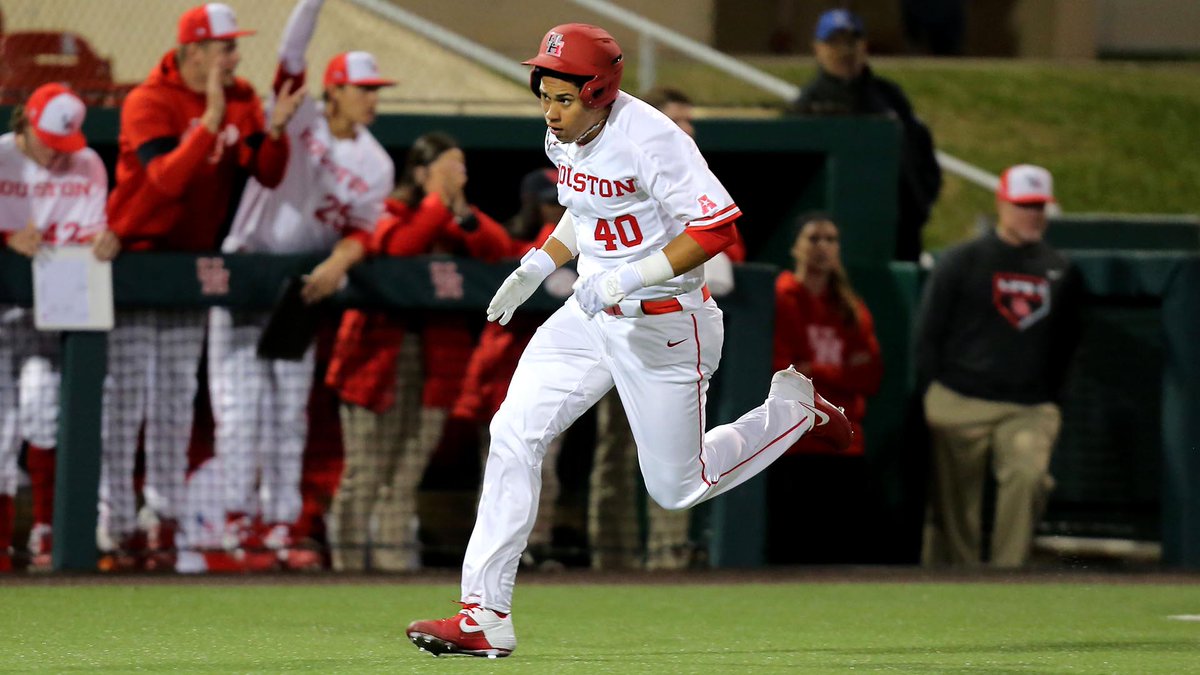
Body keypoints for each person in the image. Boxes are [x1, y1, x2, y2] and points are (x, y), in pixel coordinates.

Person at [406, 23, 851, 658]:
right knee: (512, 433)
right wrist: (539, 262)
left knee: (676, 487)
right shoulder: (566, 134)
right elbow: (583, 211)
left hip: (666, 322)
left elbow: (718, 228)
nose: (550, 110)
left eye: (564, 97)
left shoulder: (652, 139)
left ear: (600, 89)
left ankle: (792, 411)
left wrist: (628, 276)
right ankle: (484, 614)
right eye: (545, 94)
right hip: (592, 314)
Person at [99, 2, 303, 570]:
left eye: (234, 47)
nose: (235, 56)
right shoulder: (149, 100)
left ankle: (161, 520)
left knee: (173, 402)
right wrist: (210, 119)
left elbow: (267, 170)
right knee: (124, 401)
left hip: (189, 268)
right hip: (135, 262)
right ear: (192, 52)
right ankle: (113, 522)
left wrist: (277, 131)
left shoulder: (240, 98)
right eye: (224, 47)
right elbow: (164, 180)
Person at [196, 0, 395, 573]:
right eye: (363, 87)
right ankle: (235, 520)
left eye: (375, 88)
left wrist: (339, 261)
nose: (372, 97)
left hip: (302, 289)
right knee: (239, 408)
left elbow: (361, 231)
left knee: (288, 414)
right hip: (247, 270)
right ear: (333, 90)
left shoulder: (377, 161)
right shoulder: (300, 115)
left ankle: (280, 524)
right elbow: (290, 54)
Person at [325, 132, 510, 572]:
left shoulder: (456, 221)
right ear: (423, 172)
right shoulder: (388, 211)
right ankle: (345, 570)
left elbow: (500, 251)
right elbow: (399, 248)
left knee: (404, 476)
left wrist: (462, 213)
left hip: (434, 364)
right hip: (377, 362)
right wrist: (434, 201)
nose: (458, 175)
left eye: (461, 166)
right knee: (365, 474)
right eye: (448, 166)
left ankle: (390, 570)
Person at [587, 85, 743, 571]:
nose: (686, 129)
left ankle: (667, 557)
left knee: (675, 464)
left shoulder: (689, 182)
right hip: (611, 331)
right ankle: (609, 556)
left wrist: (644, 274)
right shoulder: (616, 168)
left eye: (689, 120)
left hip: (668, 331)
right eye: (676, 119)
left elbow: (722, 262)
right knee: (614, 451)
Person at [916, 164, 1082, 568]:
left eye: (1039, 206)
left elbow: (1070, 342)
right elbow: (928, 333)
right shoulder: (962, 260)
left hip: (1027, 405)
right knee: (954, 506)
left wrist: (1055, 399)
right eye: (1024, 205)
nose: (1033, 214)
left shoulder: (1060, 268)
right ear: (1002, 204)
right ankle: (961, 582)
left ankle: (1009, 577)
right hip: (959, 397)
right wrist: (930, 395)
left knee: (1027, 476)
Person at [0, 84, 118, 572]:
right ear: (25, 122)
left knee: (45, 411)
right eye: (50, 139)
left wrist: (107, 239)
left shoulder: (87, 163)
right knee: (1, 430)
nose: (57, 152)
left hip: (51, 311)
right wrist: (5, 236)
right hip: (1, 311)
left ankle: (49, 531)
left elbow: (91, 232)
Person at [790, 8, 942, 262]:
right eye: (834, 43)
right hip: (834, 240)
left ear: (864, 46)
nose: (845, 51)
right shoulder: (806, 106)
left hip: (900, 229)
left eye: (851, 42)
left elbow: (921, 153)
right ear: (817, 48)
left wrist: (919, 203)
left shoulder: (890, 96)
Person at [773, 213, 882, 457]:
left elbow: (870, 376)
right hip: (792, 441)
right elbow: (782, 371)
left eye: (831, 239)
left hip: (845, 441)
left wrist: (813, 369)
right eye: (813, 239)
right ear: (795, 246)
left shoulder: (851, 307)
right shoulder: (782, 297)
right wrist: (841, 370)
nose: (823, 246)